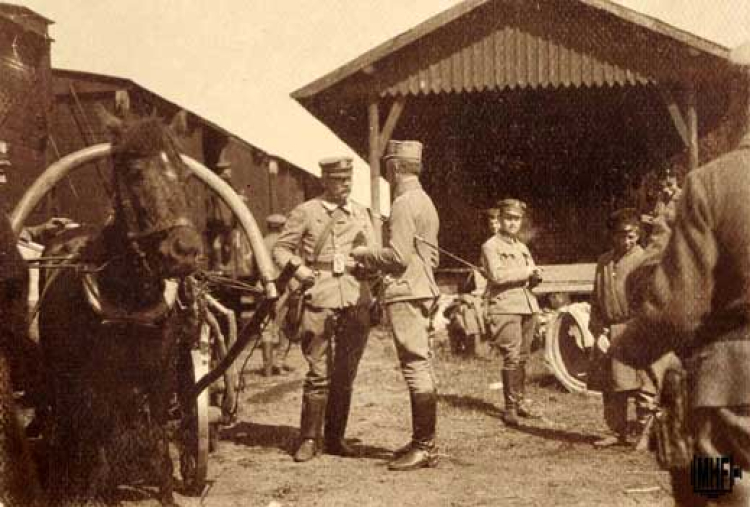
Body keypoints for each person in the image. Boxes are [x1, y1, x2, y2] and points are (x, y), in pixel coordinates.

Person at [611, 65, 750, 503]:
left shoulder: (714, 183)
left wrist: (627, 350)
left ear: (740, 104)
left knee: (720, 488)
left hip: (732, 395)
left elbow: (677, 311)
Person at [273, 156, 376, 463]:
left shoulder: (360, 212)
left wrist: (369, 267)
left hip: (356, 298)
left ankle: (334, 438)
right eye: (339, 180)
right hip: (319, 297)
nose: (345, 185)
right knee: (319, 372)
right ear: (325, 181)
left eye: (349, 179)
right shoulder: (306, 212)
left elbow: (372, 251)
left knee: (345, 373)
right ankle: (308, 438)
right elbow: (280, 249)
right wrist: (300, 270)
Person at [351, 139, 441, 471]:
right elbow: (428, 254)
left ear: (397, 167)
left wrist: (364, 253)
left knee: (415, 367)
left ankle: (424, 446)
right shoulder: (426, 201)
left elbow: (398, 256)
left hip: (406, 290)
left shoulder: (404, 203)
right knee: (422, 364)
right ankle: (423, 442)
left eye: (389, 166)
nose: (389, 171)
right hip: (423, 289)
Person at [588, 208, 656, 448]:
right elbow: (596, 299)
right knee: (611, 383)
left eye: (631, 235)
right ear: (612, 236)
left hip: (635, 328)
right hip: (610, 329)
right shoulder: (604, 261)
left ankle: (645, 430)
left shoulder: (645, 260)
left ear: (638, 235)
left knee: (642, 381)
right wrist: (599, 331)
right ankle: (616, 430)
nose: (626, 241)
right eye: (621, 235)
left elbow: (651, 300)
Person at [480, 198, 542, 426]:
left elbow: (528, 278)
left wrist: (534, 277)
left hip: (527, 305)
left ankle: (521, 401)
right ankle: (510, 408)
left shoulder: (521, 246)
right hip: (505, 307)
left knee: (523, 358)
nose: (513, 223)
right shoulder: (490, 246)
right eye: (509, 218)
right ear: (500, 219)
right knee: (512, 357)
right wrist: (526, 271)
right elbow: (497, 276)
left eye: (517, 219)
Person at [260, 213, 293, 377]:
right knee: (283, 325)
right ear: (282, 227)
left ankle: (267, 368)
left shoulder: (260, 243)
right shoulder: (283, 244)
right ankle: (278, 364)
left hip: (263, 287)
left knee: (266, 325)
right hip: (281, 287)